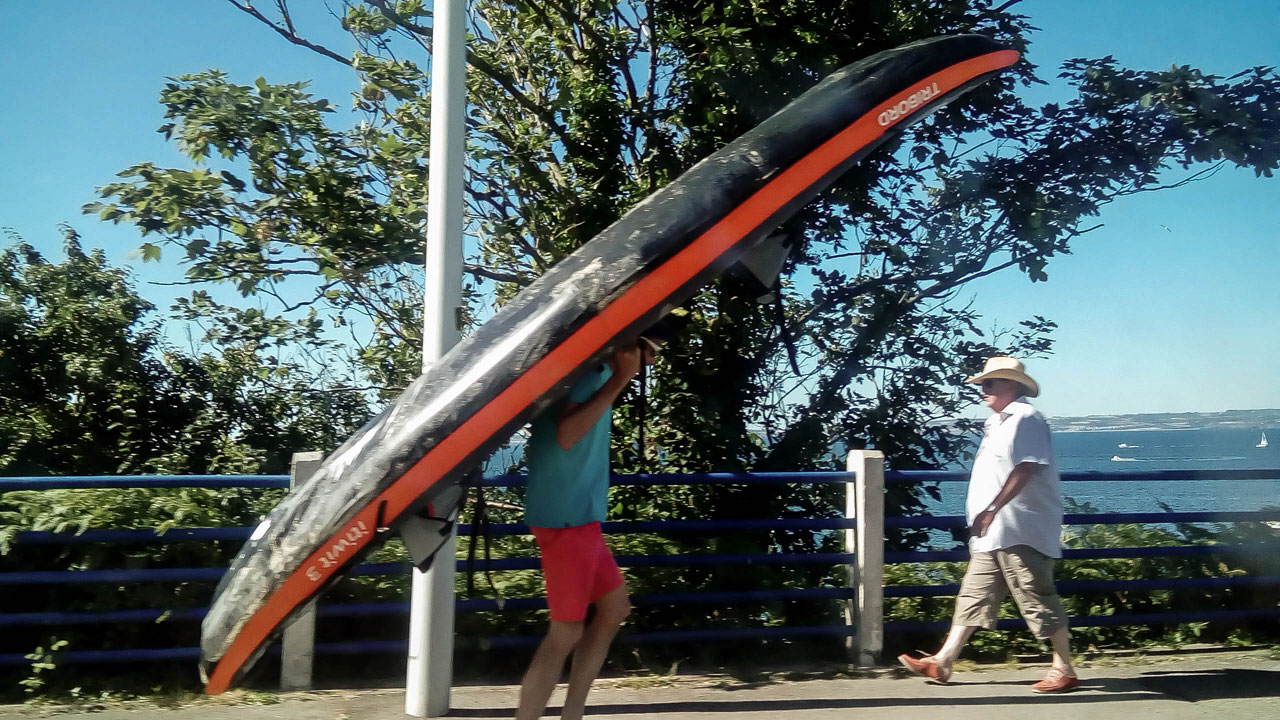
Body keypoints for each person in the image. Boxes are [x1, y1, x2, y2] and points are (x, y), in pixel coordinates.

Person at [898, 356, 1079, 693]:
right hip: (993, 529)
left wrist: (993, 509)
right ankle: (943, 660)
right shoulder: (997, 422)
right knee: (974, 594)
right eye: (983, 382)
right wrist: (985, 515)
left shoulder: (1026, 418)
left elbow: (1025, 467)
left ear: (1013, 384)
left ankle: (1064, 668)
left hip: (1020, 526)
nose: (983, 388)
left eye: (991, 382)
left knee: (1035, 594)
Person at [514, 326, 667, 720]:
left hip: (579, 518)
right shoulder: (588, 374)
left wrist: (617, 377)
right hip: (566, 520)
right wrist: (620, 378)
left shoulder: (592, 371)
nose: (652, 360)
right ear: (628, 344)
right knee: (565, 631)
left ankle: (573, 714)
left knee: (615, 608)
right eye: (650, 349)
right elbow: (567, 434)